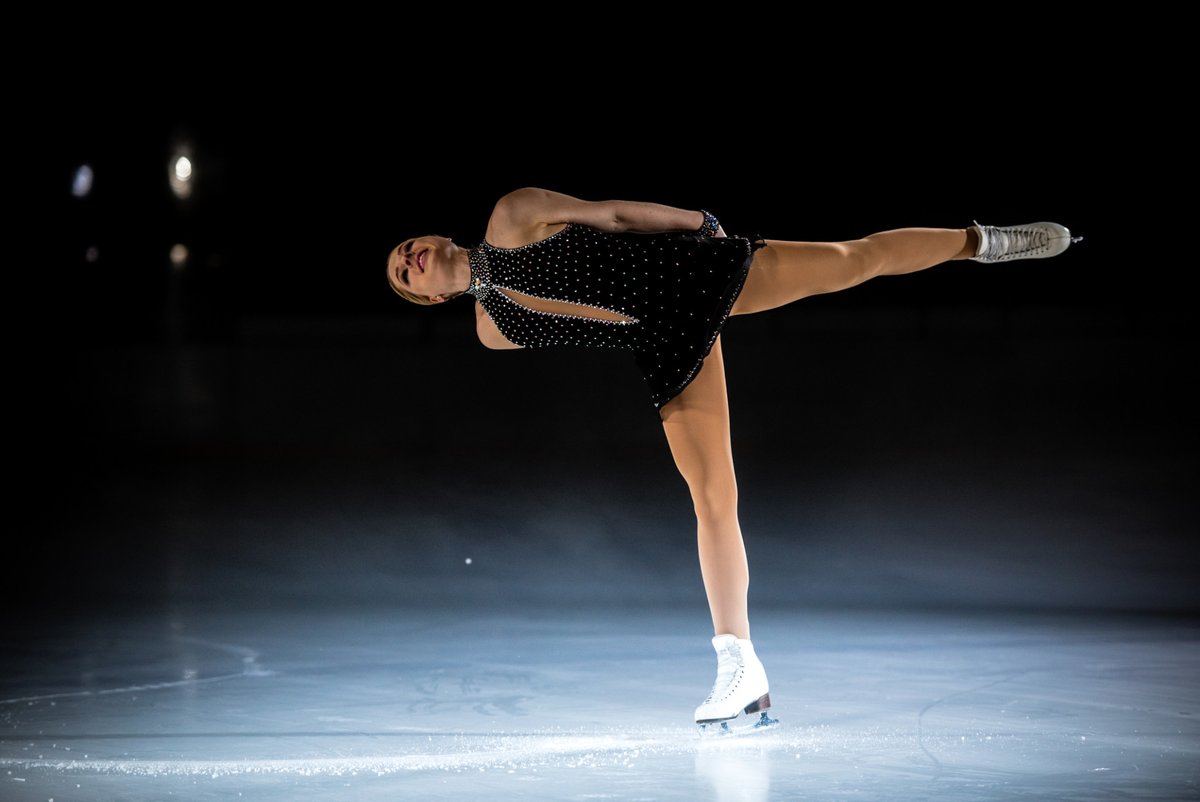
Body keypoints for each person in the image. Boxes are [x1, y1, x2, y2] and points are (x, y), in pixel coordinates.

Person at [385, 186, 1079, 733]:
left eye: (408, 247)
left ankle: (983, 241)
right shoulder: (491, 331)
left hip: (687, 275)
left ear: (436, 239)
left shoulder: (513, 213)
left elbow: (616, 215)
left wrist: (695, 222)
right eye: (403, 276)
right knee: (713, 498)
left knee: (851, 259)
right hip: (663, 344)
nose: (409, 259)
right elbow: (577, 319)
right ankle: (738, 667)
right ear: (431, 297)